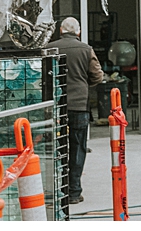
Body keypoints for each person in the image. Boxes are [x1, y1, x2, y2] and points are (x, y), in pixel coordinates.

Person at [51, 17, 106, 206]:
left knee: (55, 148)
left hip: (54, 107)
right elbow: (97, 76)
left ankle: (55, 190)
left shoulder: (50, 48)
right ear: (79, 32)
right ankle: (74, 192)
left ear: (60, 30)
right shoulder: (86, 50)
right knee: (77, 149)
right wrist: (83, 84)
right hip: (79, 106)